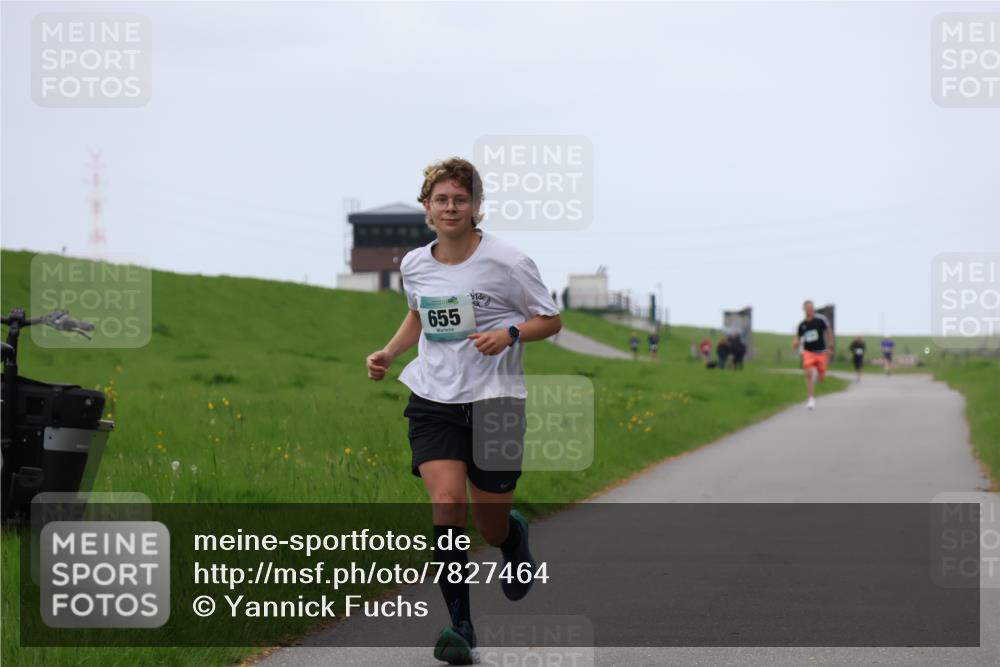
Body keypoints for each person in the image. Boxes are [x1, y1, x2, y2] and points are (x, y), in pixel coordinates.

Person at [365, 157, 562, 665]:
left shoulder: (508, 261)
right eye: (441, 199)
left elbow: (551, 319)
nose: (451, 207)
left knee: (489, 523)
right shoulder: (414, 263)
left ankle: (510, 536)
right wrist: (390, 352)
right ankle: (462, 628)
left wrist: (510, 332)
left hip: (496, 401)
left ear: (477, 206)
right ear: (427, 207)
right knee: (448, 505)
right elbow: (418, 314)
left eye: (461, 199)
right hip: (434, 399)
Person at [791, 300, 834, 409]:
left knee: (821, 376)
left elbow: (828, 331)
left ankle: (819, 375)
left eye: (811, 308)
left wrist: (830, 345)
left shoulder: (820, 320)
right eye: (808, 308)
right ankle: (810, 399)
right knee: (808, 373)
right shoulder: (802, 325)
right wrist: (795, 342)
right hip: (808, 352)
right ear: (804, 309)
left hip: (821, 352)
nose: (810, 310)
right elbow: (798, 337)